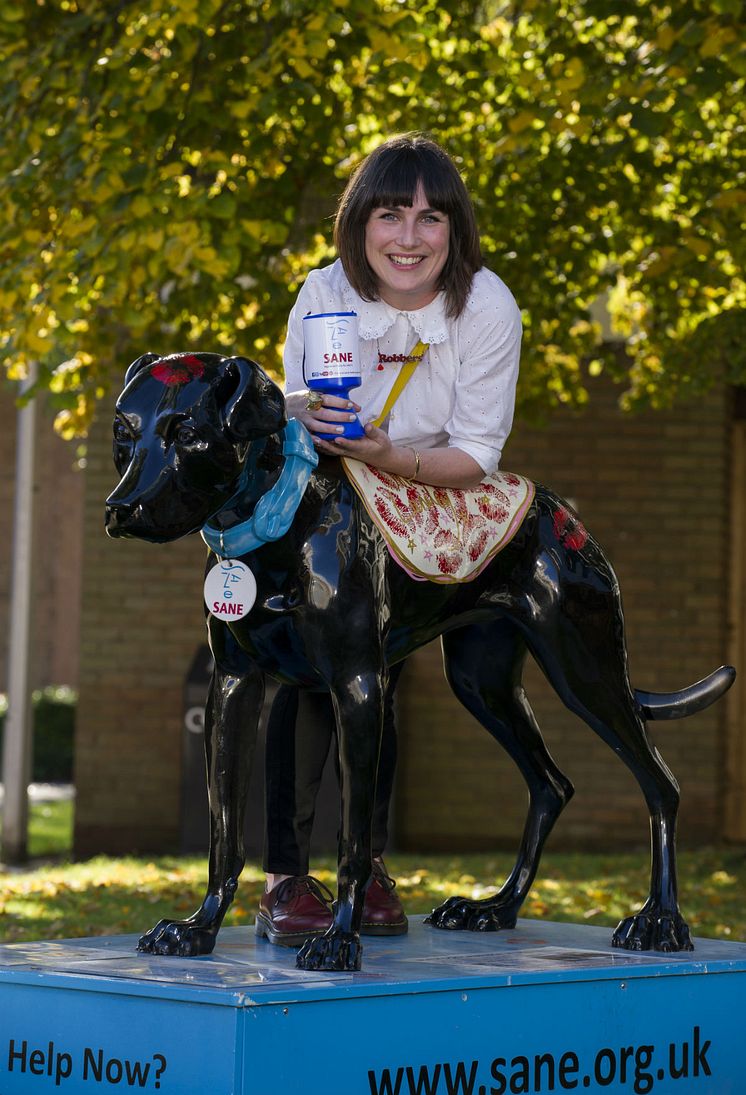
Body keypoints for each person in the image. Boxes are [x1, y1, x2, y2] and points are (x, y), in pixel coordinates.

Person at [256, 133, 522, 946]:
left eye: (430, 217)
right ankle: (284, 876)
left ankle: (364, 864)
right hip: (326, 493)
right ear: (359, 222)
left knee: (377, 680)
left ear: (455, 229)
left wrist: (389, 456)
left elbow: (476, 453)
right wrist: (309, 412)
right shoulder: (322, 291)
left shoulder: (486, 308)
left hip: (425, 491)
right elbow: (294, 408)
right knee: (305, 676)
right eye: (389, 213)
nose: (408, 237)